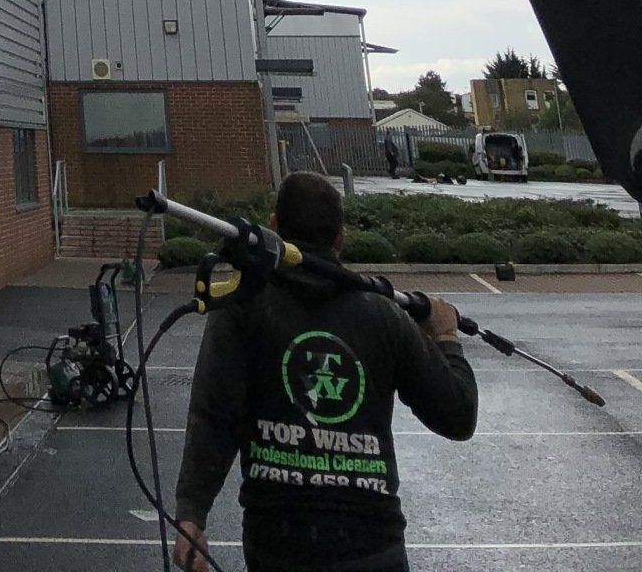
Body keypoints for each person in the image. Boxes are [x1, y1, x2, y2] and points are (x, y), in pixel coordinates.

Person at [172, 171, 476, 572]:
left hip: (277, 547)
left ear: (275, 226)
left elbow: (214, 414)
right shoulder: (383, 316)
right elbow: (457, 414)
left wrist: (192, 513)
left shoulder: (243, 306)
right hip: (371, 547)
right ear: (340, 239)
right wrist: (446, 336)